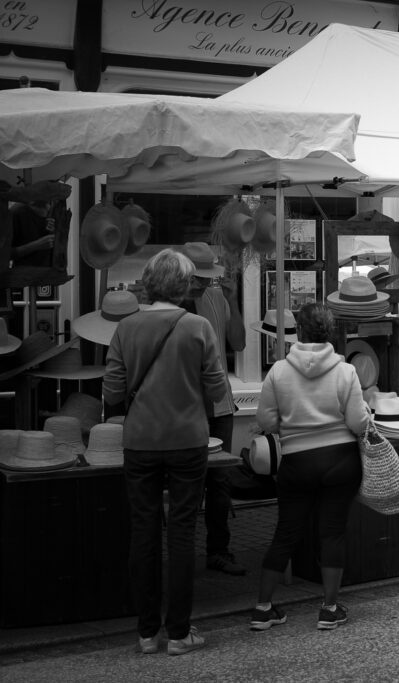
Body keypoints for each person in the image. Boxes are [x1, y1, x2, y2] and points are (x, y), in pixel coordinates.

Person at [103, 248, 226, 655]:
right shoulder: (198, 326)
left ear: (150, 282)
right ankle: (179, 633)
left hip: (139, 441)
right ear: (184, 285)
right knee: (183, 531)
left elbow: (113, 391)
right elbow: (217, 390)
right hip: (188, 439)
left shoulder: (126, 328)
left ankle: (145, 633)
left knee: (143, 531)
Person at [250, 302, 368, 632]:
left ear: (298, 332)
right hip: (340, 461)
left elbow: (265, 420)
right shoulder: (346, 371)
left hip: (297, 462)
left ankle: (263, 608)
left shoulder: (279, 371)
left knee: (285, 532)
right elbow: (358, 423)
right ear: (329, 333)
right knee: (332, 532)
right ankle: (329, 609)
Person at [180, 242, 247, 576]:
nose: (203, 283)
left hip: (220, 404)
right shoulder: (168, 305)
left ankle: (218, 550)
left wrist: (232, 300)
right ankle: (181, 556)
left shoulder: (216, 297)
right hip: (184, 407)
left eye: (207, 277)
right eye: (198, 277)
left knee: (220, 482)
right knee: (186, 484)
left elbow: (238, 344)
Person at [10, 200, 54, 266]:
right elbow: (5, 255)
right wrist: (36, 245)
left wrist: (58, 232)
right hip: (23, 274)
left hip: (52, 274)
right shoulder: (17, 211)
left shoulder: (57, 208)